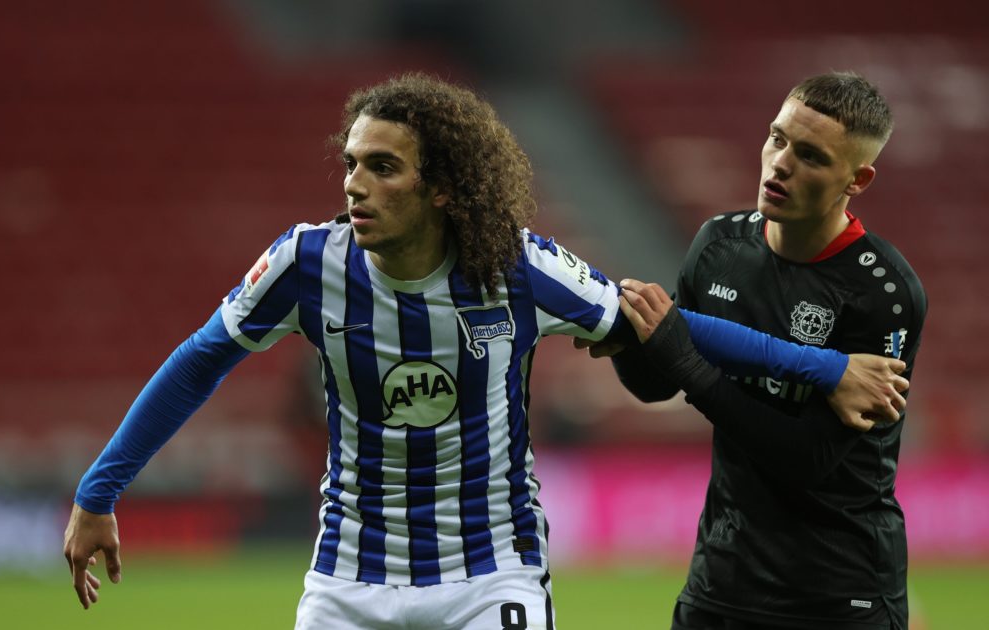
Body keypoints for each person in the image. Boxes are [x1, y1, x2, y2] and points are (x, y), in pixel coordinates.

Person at [62, 73, 909, 629]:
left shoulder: (518, 269)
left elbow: (665, 324)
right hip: (346, 576)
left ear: (441, 186)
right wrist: (100, 492)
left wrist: (826, 365)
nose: (355, 183)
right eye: (352, 163)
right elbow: (197, 359)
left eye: (383, 167)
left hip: (490, 575)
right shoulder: (304, 264)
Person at [599, 72, 927, 629]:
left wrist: (685, 360)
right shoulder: (719, 245)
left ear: (858, 178)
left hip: (838, 594)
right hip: (721, 581)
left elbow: (809, 460)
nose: (780, 164)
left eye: (811, 156)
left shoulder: (884, 293)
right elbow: (656, 385)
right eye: (776, 138)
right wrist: (628, 342)